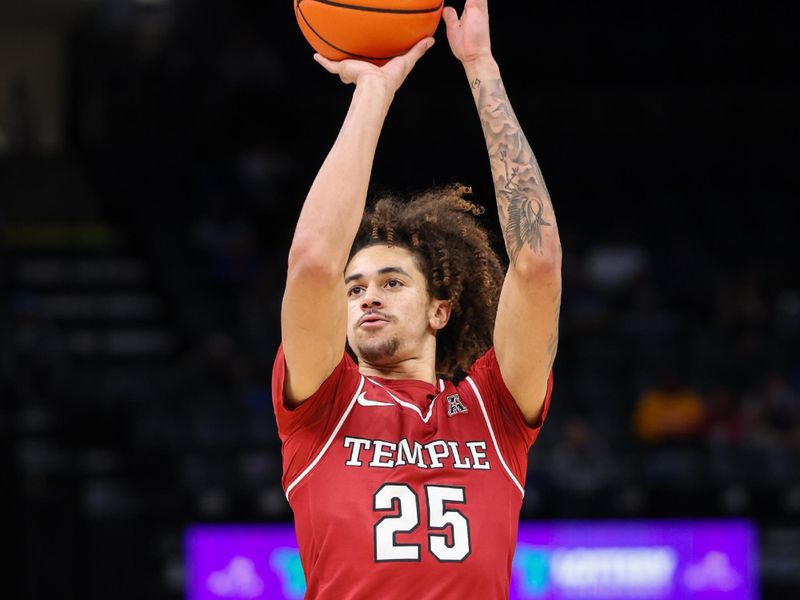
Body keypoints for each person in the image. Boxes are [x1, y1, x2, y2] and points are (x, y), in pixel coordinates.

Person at [271, 1, 561, 597]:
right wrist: (372, 91)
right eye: (355, 290)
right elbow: (312, 265)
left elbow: (537, 266)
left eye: (391, 282)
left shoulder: (495, 411)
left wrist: (481, 68)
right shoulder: (322, 407)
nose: (366, 297)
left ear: (440, 309)